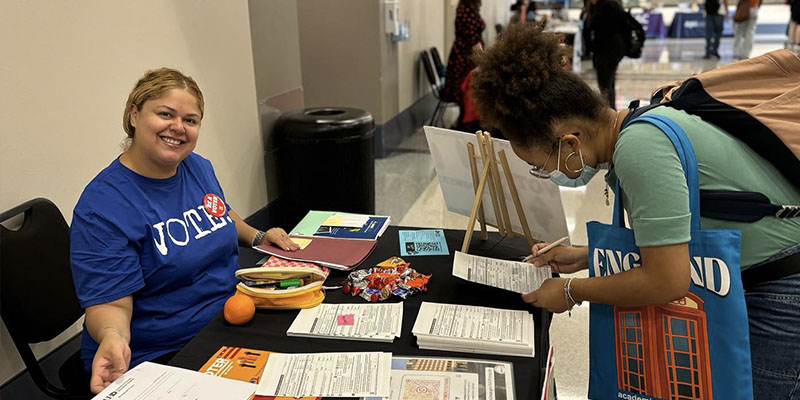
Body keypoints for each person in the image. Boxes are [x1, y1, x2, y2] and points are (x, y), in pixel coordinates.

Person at [470, 23, 800, 398]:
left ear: (570, 142)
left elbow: (667, 280)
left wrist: (570, 291)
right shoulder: (639, 125)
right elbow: (669, 243)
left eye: (543, 165)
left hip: (779, 290)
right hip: (752, 277)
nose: (549, 174)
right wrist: (583, 256)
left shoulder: (640, 149)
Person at [70, 68, 300, 394]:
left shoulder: (196, 166)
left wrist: (258, 236)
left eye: (190, 120)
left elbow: (217, 212)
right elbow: (111, 305)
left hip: (228, 317)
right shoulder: (102, 208)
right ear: (134, 115)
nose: (178, 127)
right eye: (165, 114)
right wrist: (112, 337)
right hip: (161, 352)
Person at [442, 0, 484, 129]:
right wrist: (482, 57)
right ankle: (465, 127)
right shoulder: (465, 10)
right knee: (465, 93)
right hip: (464, 59)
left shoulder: (467, 9)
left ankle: (465, 125)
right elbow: (471, 38)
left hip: (466, 56)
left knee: (466, 96)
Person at [582, 0, 628, 109]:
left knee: (605, 83)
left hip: (609, 49)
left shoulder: (608, 5)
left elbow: (604, 28)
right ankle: (610, 109)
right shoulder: (598, 6)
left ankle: (609, 112)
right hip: (606, 49)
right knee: (607, 82)